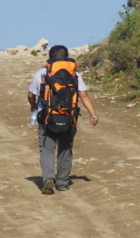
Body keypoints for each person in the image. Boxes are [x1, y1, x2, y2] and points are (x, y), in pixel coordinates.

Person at [27, 45, 99, 194]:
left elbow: (30, 95)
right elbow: (83, 95)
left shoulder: (41, 73)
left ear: (50, 57)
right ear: (66, 57)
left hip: (47, 117)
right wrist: (92, 113)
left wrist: (34, 106)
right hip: (68, 117)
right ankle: (62, 182)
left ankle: (48, 179)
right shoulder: (74, 74)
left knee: (46, 149)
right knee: (65, 149)